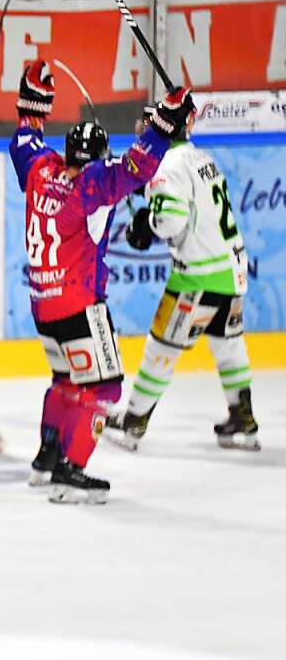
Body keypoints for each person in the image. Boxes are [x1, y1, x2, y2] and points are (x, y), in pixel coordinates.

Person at [8, 59, 194, 503]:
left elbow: (24, 140)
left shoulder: (41, 171)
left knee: (66, 380)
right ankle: (71, 470)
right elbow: (136, 167)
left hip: (42, 304)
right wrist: (166, 122)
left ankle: (46, 459)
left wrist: (34, 102)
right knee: (105, 385)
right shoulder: (92, 184)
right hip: (79, 305)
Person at [107, 106, 258, 450]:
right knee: (228, 344)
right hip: (231, 269)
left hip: (198, 276)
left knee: (161, 345)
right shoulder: (200, 157)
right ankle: (243, 417)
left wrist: (147, 223)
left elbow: (170, 220)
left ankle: (134, 420)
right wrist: (147, 200)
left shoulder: (167, 167)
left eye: (148, 126)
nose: (142, 132)